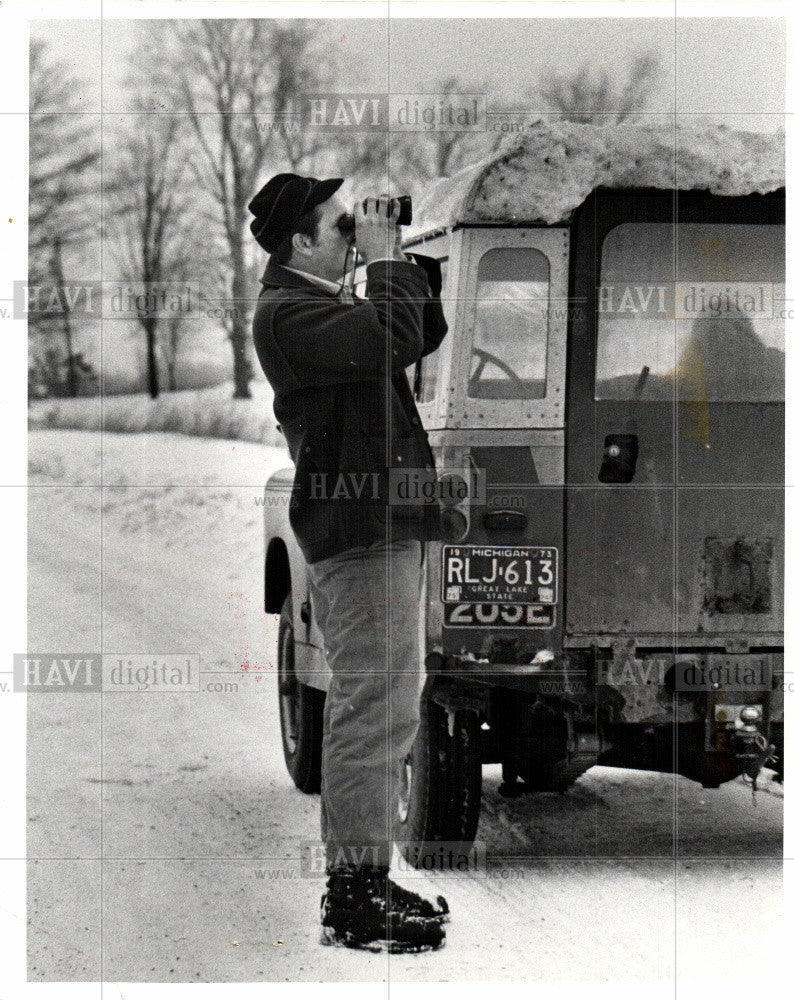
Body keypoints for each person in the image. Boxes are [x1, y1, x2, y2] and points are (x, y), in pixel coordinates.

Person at [249, 173, 450, 953]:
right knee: (374, 704)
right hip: (360, 534)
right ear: (301, 242)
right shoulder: (289, 314)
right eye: (340, 229)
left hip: (383, 524)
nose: (349, 237)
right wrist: (386, 266)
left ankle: (365, 878)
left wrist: (399, 259)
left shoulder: (323, 305)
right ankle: (355, 893)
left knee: (393, 700)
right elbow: (389, 340)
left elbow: (417, 333)